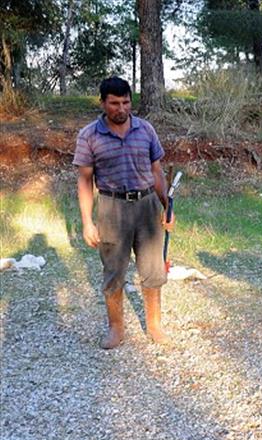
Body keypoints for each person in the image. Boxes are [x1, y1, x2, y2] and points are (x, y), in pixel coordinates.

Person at [74, 77, 174, 349]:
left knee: (153, 269)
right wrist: (87, 222)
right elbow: (84, 180)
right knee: (114, 271)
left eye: (126, 102)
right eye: (115, 103)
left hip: (147, 205)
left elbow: (157, 172)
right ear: (103, 103)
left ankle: (154, 326)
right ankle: (116, 328)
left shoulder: (146, 130)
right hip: (112, 208)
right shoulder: (89, 135)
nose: (122, 108)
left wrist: (167, 207)